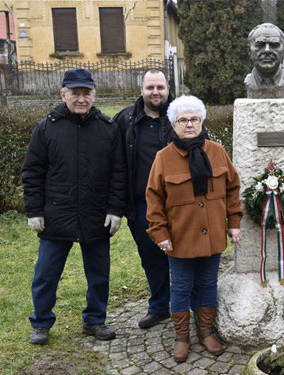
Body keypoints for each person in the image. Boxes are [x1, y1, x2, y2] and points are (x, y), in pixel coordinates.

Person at [22, 69, 126, 345]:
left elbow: (119, 173)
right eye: (75, 93)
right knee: (46, 274)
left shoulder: (108, 128)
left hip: (96, 216)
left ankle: (95, 320)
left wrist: (115, 209)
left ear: (94, 95)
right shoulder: (47, 128)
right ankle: (41, 322)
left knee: (98, 275)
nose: (81, 99)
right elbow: (32, 172)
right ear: (63, 94)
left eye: (86, 93)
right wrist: (34, 211)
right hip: (57, 215)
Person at [145, 95, 243, 362]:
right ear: (174, 125)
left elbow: (233, 189)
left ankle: (206, 331)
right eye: (183, 120)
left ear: (202, 122)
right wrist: (160, 233)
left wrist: (234, 223)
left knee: (208, 284)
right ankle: (181, 337)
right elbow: (154, 198)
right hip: (180, 238)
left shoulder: (217, 152)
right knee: (181, 287)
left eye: (194, 119)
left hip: (212, 234)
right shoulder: (164, 158)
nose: (189, 125)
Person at [113, 69, 175, 329]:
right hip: (142, 206)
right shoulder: (125, 119)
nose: (155, 92)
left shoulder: (179, 116)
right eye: (150, 87)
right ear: (142, 89)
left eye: (160, 87)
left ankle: (189, 305)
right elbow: (114, 163)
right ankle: (160, 307)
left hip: (178, 204)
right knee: (151, 257)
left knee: (185, 256)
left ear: (168, 88)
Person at [245, 23, 284, 98]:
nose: (267, 50)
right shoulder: (249, 81)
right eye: (260, 45)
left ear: (283, 52)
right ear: (249, 51)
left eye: (274, 45)